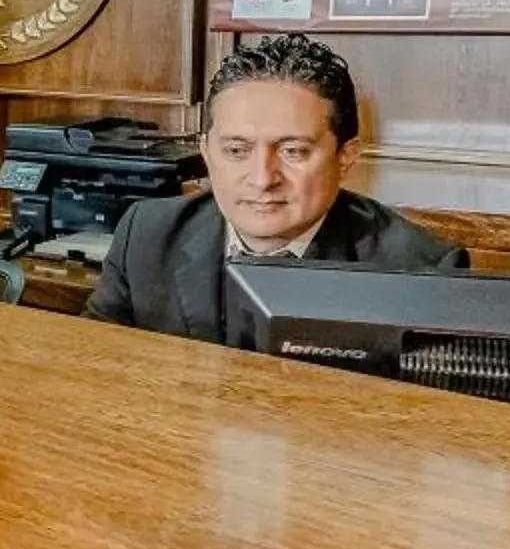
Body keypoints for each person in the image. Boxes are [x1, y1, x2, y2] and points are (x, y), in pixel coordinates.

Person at [88, 33, 460, 344]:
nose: (263, 178)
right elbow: (96, 368)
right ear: (206, 152)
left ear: (345, 157)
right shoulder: (148, 235)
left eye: (293, 151)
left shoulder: (420, 272)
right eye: (236, 150)